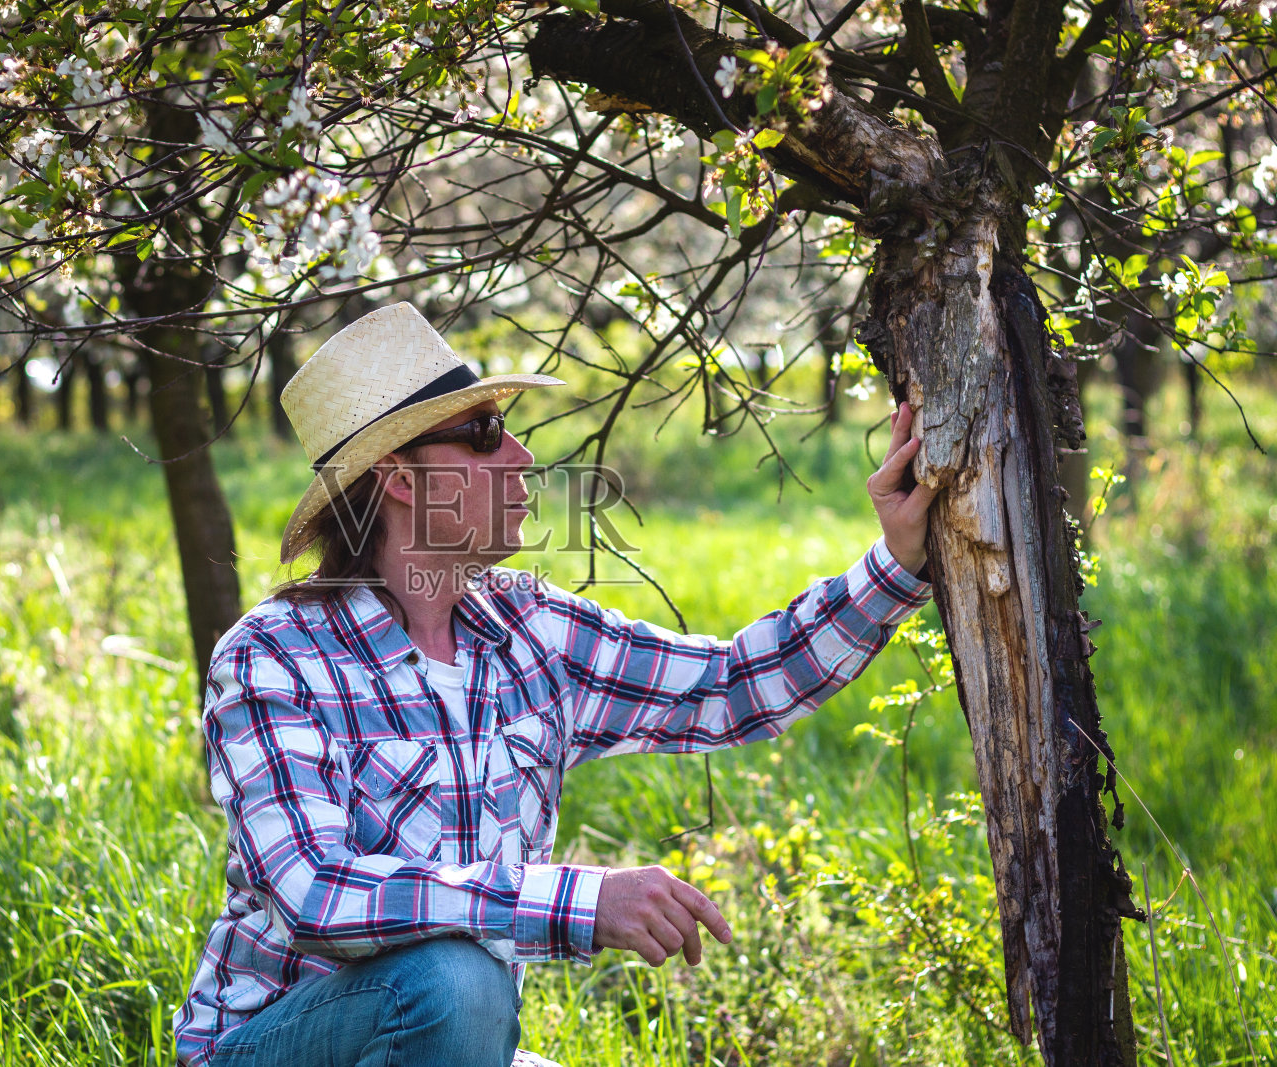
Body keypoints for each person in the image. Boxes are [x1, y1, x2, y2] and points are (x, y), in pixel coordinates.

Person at [173, 303, 938, 1066]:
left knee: (465, 992)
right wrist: (579, 900)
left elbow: (730, 686)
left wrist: (895, 564)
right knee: (458, 979)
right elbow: (317, 893)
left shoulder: (530, 627)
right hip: (273, 1045)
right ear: (399, 478)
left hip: (454, 1041)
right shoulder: (274, 656)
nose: (520, 456)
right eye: (482, 435)